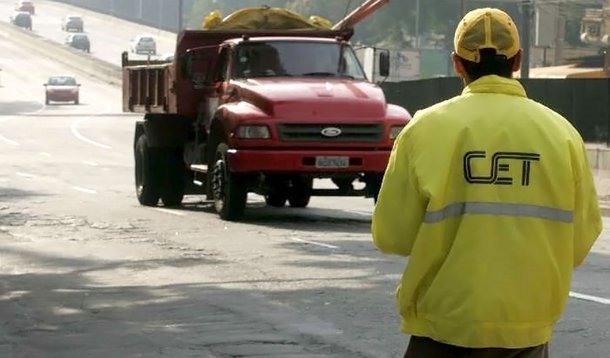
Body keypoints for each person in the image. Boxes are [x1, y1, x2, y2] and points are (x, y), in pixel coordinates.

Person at [371, 7, 602, 358]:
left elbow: (392, 237)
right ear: (517, 60)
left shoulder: (423, 129)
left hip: (444, 328)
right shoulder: (563, 135)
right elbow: (580, 243)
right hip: (527, 331)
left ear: (457, 63)